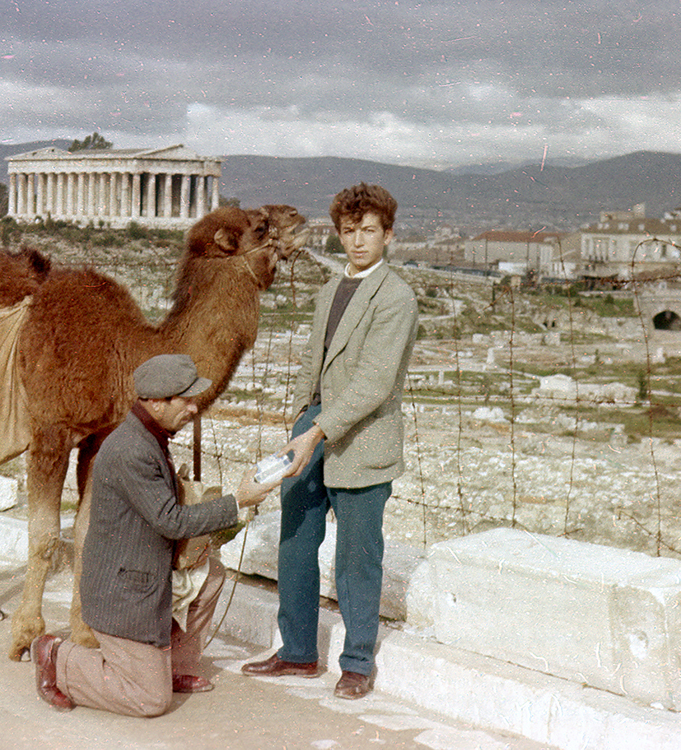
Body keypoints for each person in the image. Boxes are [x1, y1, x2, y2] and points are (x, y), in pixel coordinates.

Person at [241, 182, 418, 699]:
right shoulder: (328, 292)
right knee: (296, 542)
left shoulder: (397, 297)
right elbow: (311, 365)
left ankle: (357, 663)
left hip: (361, 436)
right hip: (312, 430)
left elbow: (374, 382)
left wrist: (315, 430)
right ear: (339, 234)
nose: (358, 241)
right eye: (348, 231)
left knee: (358, 556)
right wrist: (300, 420)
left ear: (388, 233)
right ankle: (297, 652)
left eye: (368, 231)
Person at [33, 353, 279, 717]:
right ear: (156, 403)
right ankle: (58, 658)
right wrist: (238, 501)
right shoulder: (131, 450)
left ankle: (173, 666)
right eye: (187, 399)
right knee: (150, 700)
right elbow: (171, 521)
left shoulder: (148, 436)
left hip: (143, 572)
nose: (195, 409)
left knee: (210, 576)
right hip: (124, 593)